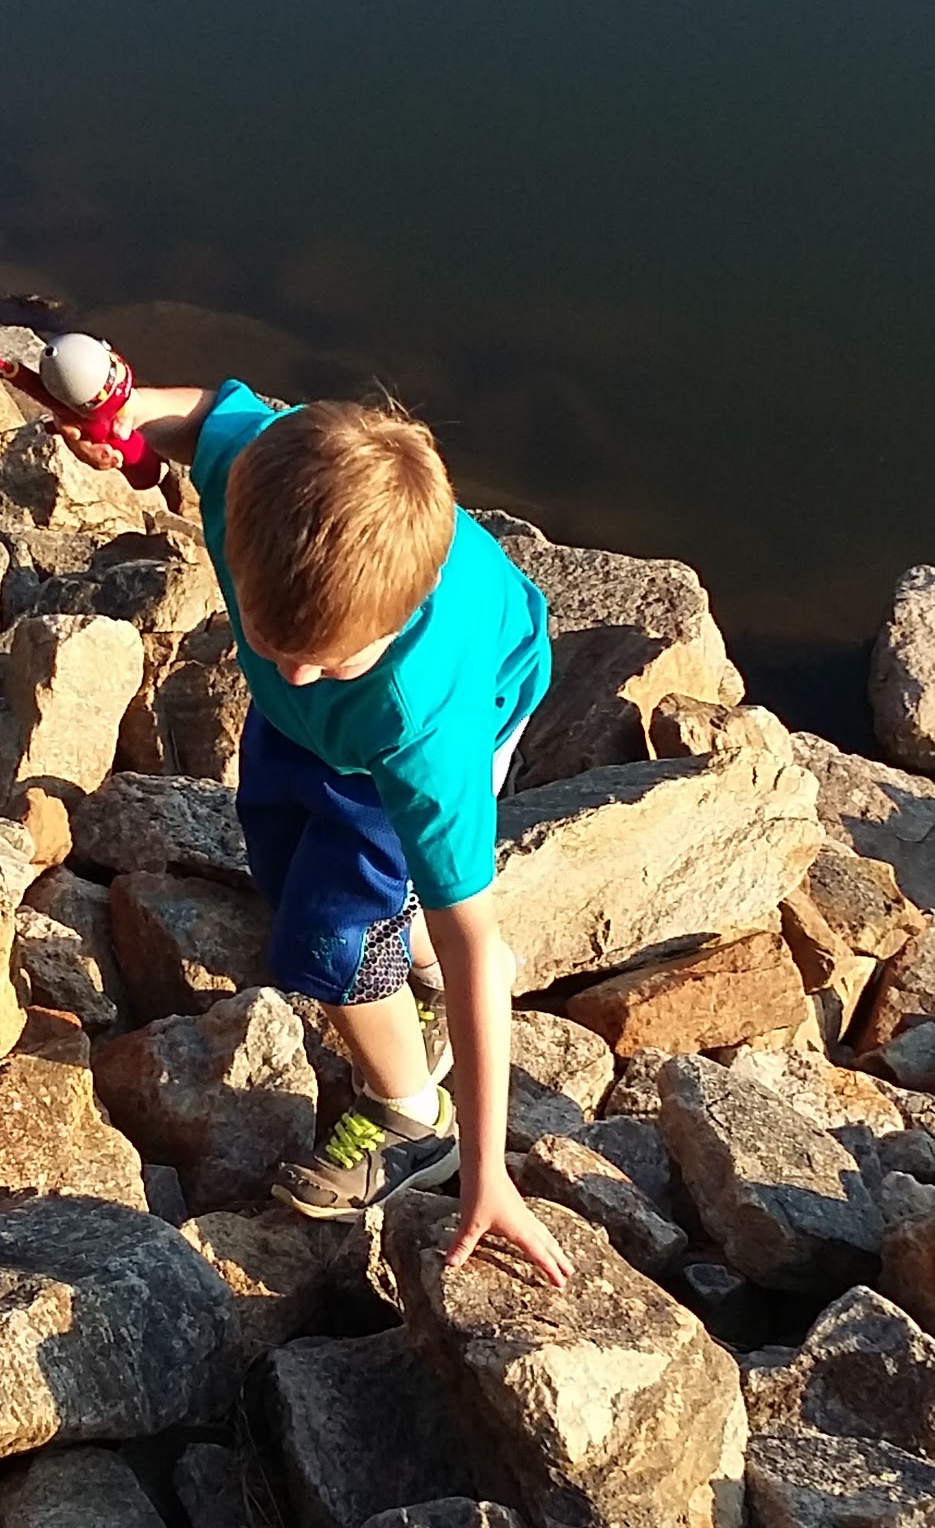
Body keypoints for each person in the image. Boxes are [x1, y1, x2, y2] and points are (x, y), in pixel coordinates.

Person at [64, 372, 571, 1287]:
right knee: (278, 841)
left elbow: (471, 930)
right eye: (271, 643)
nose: (295, 673)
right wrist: (123, 417)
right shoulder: (265, 476)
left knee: (329, 937)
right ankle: (409, 946)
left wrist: (488, 1170)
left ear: (397, 619)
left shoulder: (424, 730)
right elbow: (201, 420)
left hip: (441, 711)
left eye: (326, 659)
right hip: (330, 729)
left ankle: (410, 1115)